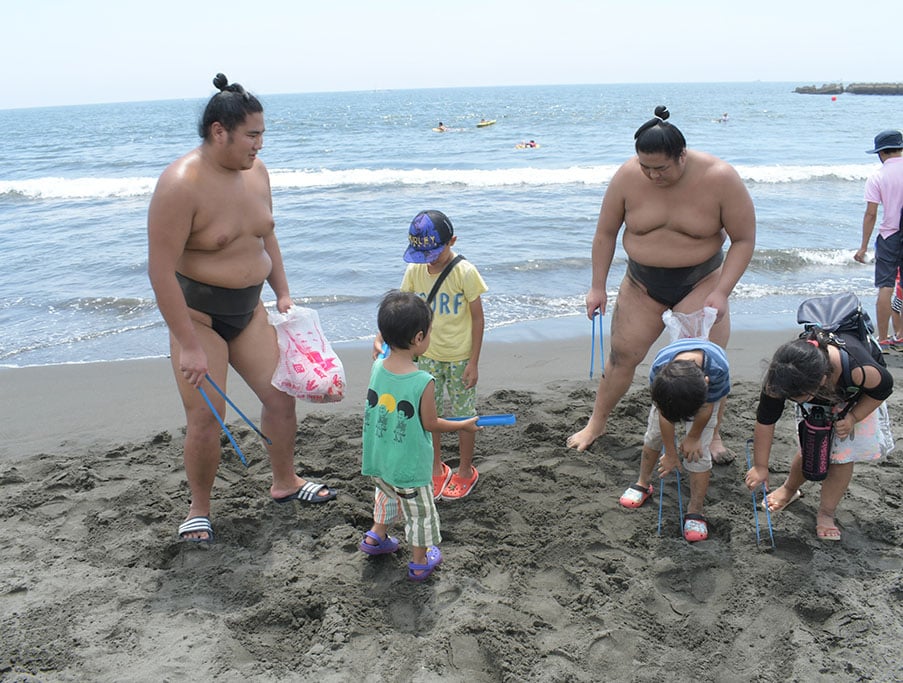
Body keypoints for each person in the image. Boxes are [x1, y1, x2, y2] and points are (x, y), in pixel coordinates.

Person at [147, 73, 336, 543]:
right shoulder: (180, 185)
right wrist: (189, 345)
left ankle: (285, 481)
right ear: (220, 132)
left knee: (281, 398)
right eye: (252, 135)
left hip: (250, 313)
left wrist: (282, 292)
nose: (259, 144)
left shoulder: (258, 172)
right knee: (207, 418)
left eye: (262, 134)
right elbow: (160, 272)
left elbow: (266, 233)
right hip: (200, 320)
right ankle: (199, 509)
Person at [566, 105, 756, 460]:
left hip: (701, 280)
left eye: (661, 168)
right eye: (646, 167)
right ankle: (596, 423)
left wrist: (721, 292)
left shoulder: (720, 178)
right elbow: (605, 233)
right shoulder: (627, 176)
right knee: (622, 356)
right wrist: (597, 286)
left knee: (704, 365)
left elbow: (744, 240)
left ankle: (712, 436)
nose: (653, 175)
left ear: (682, 155)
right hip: (642, 282)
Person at [360, 291, 480, 580]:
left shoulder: (377, 367)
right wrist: (462, 426)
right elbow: (431, 423)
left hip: (379, 457)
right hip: (410, 466)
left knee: (386, 494)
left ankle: (376, 536)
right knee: (420, 513)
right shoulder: (422, 381)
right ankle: (419, 561)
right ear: (418, 338)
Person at [374, 210, 488, 501]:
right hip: (426, 358)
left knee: (464, 416)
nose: (430, 260)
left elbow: (477, 318)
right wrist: (382, 337)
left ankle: (465, 470)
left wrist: (473, 362)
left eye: (435, 253)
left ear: (452, 241)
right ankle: (436, 468)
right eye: (423, 254)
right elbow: (400, 309)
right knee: (430, 416)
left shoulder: (465, 272)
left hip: (460, 358)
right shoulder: (415, 271)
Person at [745, 327, 893, 541]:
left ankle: (826, 513)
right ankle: (789, 489)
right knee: (811, 446)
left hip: (856, 398)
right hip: (815, 393)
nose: (791, 400)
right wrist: (760, 466)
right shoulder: (781, 377)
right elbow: (766, 421)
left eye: (797, 398)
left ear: (822, 380)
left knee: (842, 457)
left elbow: (883, 389)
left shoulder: (861, 370)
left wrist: (853, 417)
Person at [618, 336, 730, 542]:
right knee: (653, 436)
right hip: (670, 396)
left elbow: (707, 407)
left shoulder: (717, 371)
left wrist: (693, 436)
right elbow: (664, 414)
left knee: (699, 452)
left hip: (706, 399)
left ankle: (696, 508)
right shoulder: (660, 372)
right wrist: (670, 453)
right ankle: (643, 482)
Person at [854, 129, 903, 349]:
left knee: (886, 286)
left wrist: (863, 246)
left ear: (881, 153)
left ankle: (882, 339)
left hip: (890, 235)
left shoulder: (877, 176)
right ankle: (901, 335)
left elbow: (871, 214)